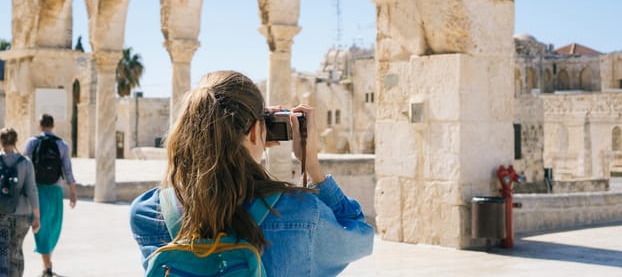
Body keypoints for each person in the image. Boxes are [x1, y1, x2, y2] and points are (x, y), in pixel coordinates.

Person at [130, 70, 374, 276]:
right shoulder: (301, 213)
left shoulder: (148, 213)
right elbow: (360, 236)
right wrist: (312, 167)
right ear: (257, 131)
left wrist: (254, 128)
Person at [23, 114, 77, 277]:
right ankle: (47, 266)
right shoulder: (62, 145)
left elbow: (25, 165)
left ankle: (47, 264)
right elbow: (67, 170)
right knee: (52, 226)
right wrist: (73, 193)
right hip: (55, 190)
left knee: (41, 227)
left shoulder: (32, 142)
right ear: (53, 126)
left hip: (36, 189)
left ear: (40, 125)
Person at [0, 127, 40, 277]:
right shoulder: (25, 162)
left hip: (1, 214)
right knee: (16, 250)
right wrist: (36, 216)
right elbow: (32, 190)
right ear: (16, 141)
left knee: (2, 250)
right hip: (22, 215)